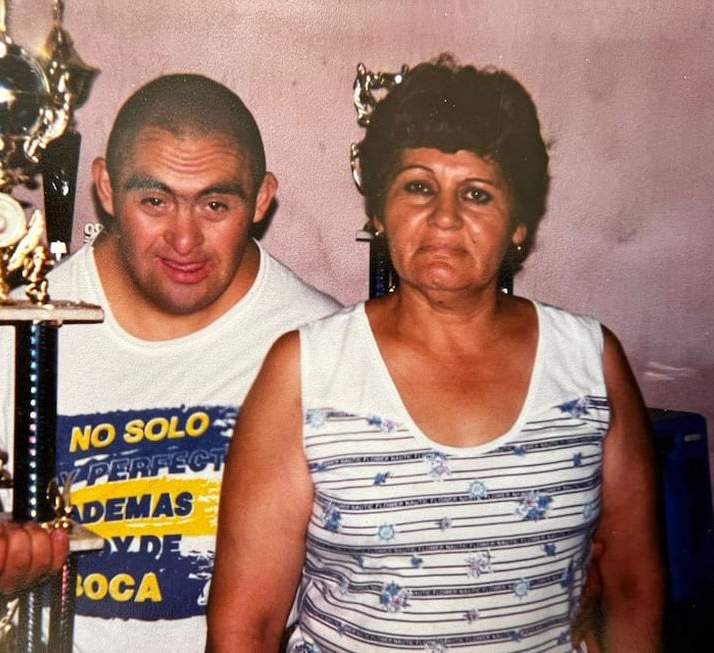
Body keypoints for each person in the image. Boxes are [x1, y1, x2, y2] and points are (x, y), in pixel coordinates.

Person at [207, 55, 665, 652]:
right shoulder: (306, 370)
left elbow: (633, 589)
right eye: (418, 187)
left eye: (476, 194)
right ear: (378, 212)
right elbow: (247, 627)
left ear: (519, 224)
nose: (444, 218)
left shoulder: (588, 363)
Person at [0, 73, 340, 651]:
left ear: (262, 198)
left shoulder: (320, 340)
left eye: (215, 204)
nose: (185, 239)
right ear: (105, 187)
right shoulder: (13, 325)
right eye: (154, 201)